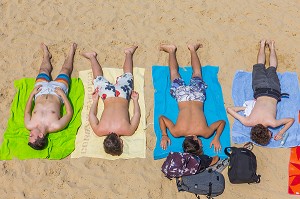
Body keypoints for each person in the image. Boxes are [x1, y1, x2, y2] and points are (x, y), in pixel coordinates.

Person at [159, 44, 226, 166]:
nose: (202, 144)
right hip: (182, 98)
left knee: (197, 73)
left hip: (197, 97)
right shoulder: (176, 132)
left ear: (195, 139)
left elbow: (221, 122)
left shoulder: (205, 133)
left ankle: (192, 49)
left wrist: (216, 137)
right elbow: (162, 118)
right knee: (174, 73)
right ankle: (171, 50)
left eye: (200, 145)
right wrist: (164, 135)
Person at [227, 40, 294, 146]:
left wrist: (281, 132)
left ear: (266, 132)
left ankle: (271, 47)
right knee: (260, 65)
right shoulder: (248, 122)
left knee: (272, 68)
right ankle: (263, 45)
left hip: (274, 91)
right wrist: (244, 108)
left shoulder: (273, 123)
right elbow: (229, 109)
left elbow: (291, 120)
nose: (271, 134)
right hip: (260, 90)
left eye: (269, 135)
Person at [81, 46, 141, 156]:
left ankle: (128, 53)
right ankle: (92, 57)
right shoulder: (99, 131)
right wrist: (95, 101)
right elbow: (92, 115)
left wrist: (135, 100)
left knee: (128, 75)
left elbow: (136, 114)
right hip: (107, 95)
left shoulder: (128, 130)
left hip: (122, 94)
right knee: (98, 78)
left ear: (120, 141)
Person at [25, 43, 76, 150]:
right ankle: (71, 52)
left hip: (40, 92)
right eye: (31, 136)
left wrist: (32, 94)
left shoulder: (29, 125)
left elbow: (27, 111)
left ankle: (46, 55)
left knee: (43, 70)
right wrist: (62, 95)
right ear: (40, 136)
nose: (29, 134)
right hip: (57, 93)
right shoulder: (55, 125)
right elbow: (69, 113)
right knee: (65, 70)